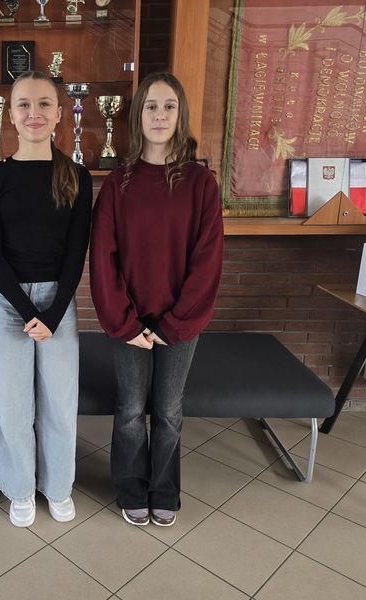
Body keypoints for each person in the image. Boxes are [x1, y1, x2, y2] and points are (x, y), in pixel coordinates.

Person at [89, 72, 223, 527]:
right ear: (138, 115)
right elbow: (103, 258)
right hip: (129, 322)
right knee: (130, 410)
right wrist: (125, 322)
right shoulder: (118, 184)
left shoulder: (201, 183)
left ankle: (163, 490)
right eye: (151, 106)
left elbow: (207, 260)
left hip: (179, 322)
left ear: (180, 115)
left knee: (168, 410)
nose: (160, 115)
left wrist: (174, 323)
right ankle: (131, 488)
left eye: (169, 106)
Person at [0, 70, 92, 527]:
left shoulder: (76, 176)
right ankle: (20, 487)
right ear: (10, 115)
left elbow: (76, 252)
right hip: (9, 302)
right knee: (14, 402)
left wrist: (53, 313)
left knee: (59, 401)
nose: (34, 113)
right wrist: (28, 312)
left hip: (58, 300)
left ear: (60, 114)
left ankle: (58, 486)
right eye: (24, 104)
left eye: (44, 104)